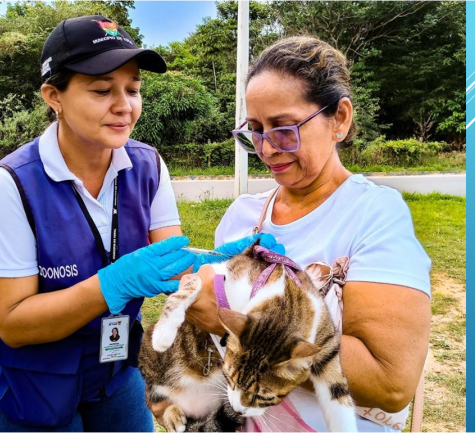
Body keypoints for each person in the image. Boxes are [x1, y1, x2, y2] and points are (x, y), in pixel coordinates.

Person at [0, 15, 280, 433]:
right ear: (54, 96)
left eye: (133, 89)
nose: (125, 105)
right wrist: (111, 284)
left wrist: (229, 264)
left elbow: (175, 263)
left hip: (114, 367)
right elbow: (13, 322)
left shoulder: (147, 165)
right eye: (102, 90)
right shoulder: (13, 183)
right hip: (32, 378)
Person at [151, 36, 432, 433]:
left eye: (284, 129)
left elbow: (390, 383)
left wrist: (236, 325)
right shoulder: (241, 217)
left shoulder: (374, 217)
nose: (266, 149)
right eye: (255, 131)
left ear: (340, 119)